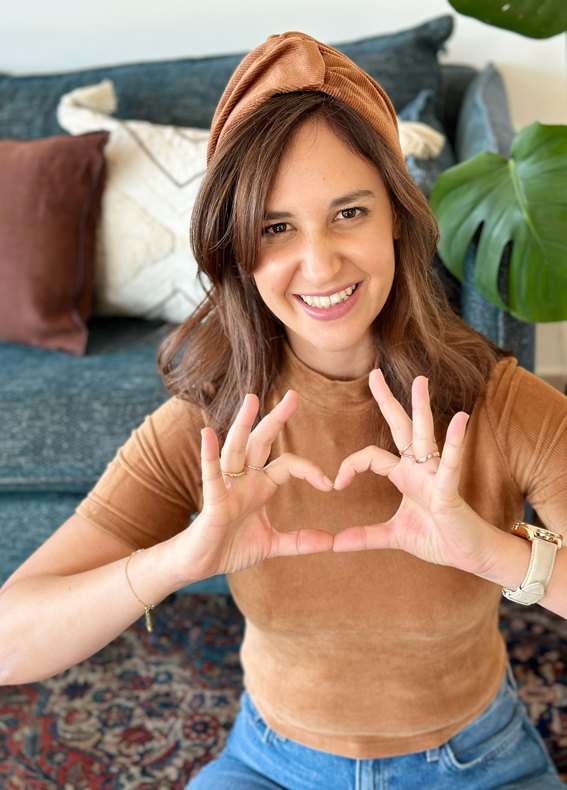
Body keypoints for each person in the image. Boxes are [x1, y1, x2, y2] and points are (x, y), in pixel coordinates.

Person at [1, 31, 565, 790]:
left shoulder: (500, 403)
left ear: (396, 216)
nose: (321, 264)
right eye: (275, 227)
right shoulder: (206, 430)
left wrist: (490, 554)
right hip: (270, 764)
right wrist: (180, 560)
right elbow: (9, 641)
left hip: (480, 762)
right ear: (235, 248)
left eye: (349, 213)